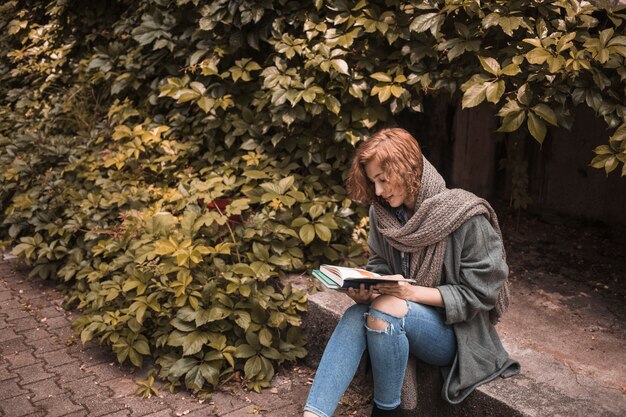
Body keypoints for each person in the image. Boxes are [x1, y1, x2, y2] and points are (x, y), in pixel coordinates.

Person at [303, 128, 519, 417]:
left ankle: (385, 411)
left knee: (386, 310)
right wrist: (367, 289)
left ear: (407, 169)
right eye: (373, 182)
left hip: (456, 333)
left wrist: (409, 293)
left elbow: (483, 293)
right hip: (396, 315)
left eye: (383, 180)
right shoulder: (383, 214)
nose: (378, 191)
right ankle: (314, 414)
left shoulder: (465, 215)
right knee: (358, 314)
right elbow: (380, 265)